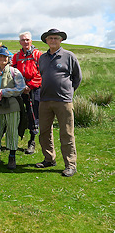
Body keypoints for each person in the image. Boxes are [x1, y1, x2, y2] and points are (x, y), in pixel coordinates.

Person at [35, 29, 82, 177]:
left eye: (56, 38)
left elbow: (77, 77)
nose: (53, 40)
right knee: (44, 132)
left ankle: (70, 165)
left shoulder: (69, 56)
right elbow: (42, 75)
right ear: (46, 41)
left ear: (60, 40)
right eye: (50, 38)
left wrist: (68, 91)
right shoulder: (42, 58)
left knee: (66, 133)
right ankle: (49, 159)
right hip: (44, 100)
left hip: (63, 101)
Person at [12, 32, 42, 154]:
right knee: (18, 113)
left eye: (27, 39)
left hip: (34, 89)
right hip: (20, 89)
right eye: (23, 40)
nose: (25, 42)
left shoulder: (38, 54)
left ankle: (32, 141)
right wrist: (20, 86)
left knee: (33, 114)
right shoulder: (17, 56)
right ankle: (14, 139)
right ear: (20, 42)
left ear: (31, 40)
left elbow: (42, 72)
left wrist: (30, 85)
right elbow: (13, 72)